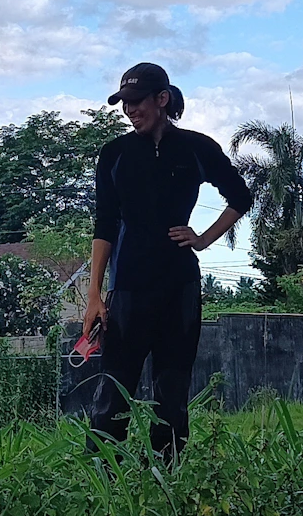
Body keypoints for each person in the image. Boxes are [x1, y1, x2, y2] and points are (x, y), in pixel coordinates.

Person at [84, 62, 253, 458]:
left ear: (161, 100)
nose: (130, 111)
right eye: (124, 104)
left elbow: (240, 197)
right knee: (114, 388)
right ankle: (103, 481)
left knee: (172, 393)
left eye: (137, 102)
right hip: (128, 287)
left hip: (180, 287)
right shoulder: (115, 154)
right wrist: (94, 294)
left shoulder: (196, 148)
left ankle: (166, 481)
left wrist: (203, 239)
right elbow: (104, 224)